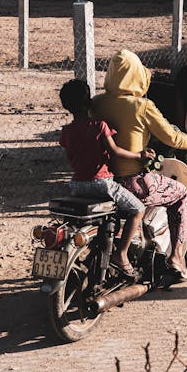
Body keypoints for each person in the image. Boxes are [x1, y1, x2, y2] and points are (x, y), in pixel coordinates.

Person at [90, 49, 187, 280]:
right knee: (181, 193)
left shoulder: (96, 103)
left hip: (103, 181)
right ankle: (176, 255)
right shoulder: (142, 106)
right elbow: (172, 138)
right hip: (133, 184)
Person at [59, 79, 154, 279]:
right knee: (138, 209)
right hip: (101, 184)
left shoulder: (66, 132)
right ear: (89, 101)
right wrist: (141, 155)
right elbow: (115, 151)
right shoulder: (99, 126)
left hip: (76, 185)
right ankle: (121, 254)